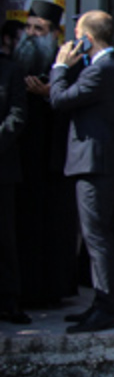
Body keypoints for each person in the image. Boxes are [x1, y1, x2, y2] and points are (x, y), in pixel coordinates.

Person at [48, 10, 114, 333]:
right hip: (106, 161)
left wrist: (59, 66)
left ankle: (106, 308)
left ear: (88, 38)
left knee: (98, 238)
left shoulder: (102, 71)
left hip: (95, 163)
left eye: (77, 34)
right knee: (104, 236)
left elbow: (59, 100)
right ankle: (102, 304)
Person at [12, 0, 79, 308]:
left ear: (54, 33)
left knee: (52, 227)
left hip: (55, 161)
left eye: (39, 29)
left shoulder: (70, 66)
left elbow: (75, 108)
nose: (31, 34)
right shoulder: (16, 62)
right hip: (22, 161)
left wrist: (49, 93)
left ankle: (52, 289)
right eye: (29, 27)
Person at [0, 45, 29, 324]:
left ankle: (9, 301)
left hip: (3, 169)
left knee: (5, 239)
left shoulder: (11, 71)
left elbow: (17, 116)